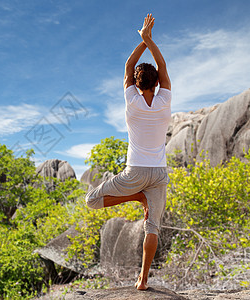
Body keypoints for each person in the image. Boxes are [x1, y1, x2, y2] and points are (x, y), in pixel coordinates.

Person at [85, 14, 171, 290]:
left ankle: (136, 197)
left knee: (91, 200)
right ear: (157, 84)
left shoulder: (131, 99)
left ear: (135, 83)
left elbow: (128, 65)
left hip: (135, 172)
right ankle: (143, 280)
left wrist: (142, 40)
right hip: (158, 173)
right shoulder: (165, 100)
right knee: (153, 227)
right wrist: (150, 40)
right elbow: (163, 65)